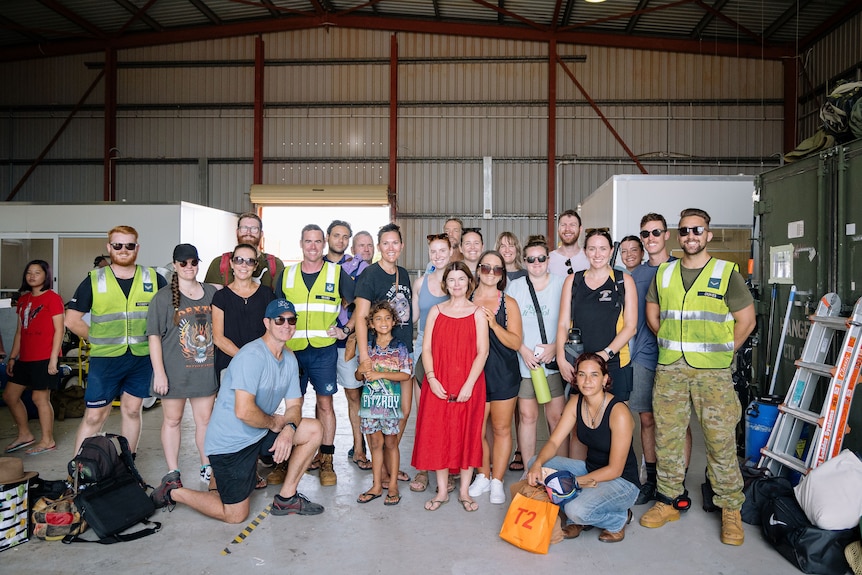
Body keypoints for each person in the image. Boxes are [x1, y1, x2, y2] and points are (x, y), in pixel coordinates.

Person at [639, 208, 755, 546]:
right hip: (671, 367)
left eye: (697, 230)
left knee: (720, 440)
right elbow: (653, 315)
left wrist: (721, 353)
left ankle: (731, 509)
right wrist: (677, 345)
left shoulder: (726, 272)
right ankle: (668, 500)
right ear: (679, 236)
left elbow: (746, 321)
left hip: (713, 372)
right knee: (668, 437)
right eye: (685, 231)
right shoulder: (665, 273)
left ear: (708, 234)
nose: (691, 236)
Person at [150, 299, 325, 523]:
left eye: (291, 320)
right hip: (230, 444)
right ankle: (173, 491)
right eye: (279, 319)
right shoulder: (252, 356)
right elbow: (243, 411)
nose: (286, 325)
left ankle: (287, 498)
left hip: (258, 433)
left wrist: (289, 429)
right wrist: (275, 425)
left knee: (313, 429)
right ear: (267, 323)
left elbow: (294, 405)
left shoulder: (289, 358)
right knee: (234, 515)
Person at [66, 225, 167, 455]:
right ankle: (80, 471)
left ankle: (127, 467)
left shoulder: (153, 277)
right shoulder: (94, 279)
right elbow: (71, 320)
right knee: (94, 416)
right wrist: (97, 338)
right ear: (109, 247)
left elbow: (170, 314)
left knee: (132, 411)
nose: (123, 250)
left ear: (137, 248)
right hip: (105, 361)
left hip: (141, 358)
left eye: (129, 245)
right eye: (117, 245)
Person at [526, 353, 639, 543]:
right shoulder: (576, 402)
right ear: (576, 378)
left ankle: (618, 519)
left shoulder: (619, 412)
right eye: (582, 375)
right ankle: (583, 510)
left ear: (605, 379)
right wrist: (537, 464)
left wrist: (575, 483)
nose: (587, 381)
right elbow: (554, 443)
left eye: (594, 375)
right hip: (591, 469)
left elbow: (615, 469)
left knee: (575, 510)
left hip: (622, 482)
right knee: (536, 464)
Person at [275, 224, 355, 487]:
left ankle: (326, 460)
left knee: (325, 405)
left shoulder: (337, 272)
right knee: (290, 407)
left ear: (324, 244)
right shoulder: (287, 275)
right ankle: (283, 459)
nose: (312, 246)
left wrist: (345, 329)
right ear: (301, 243)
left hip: (323, 351)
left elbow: (359, 304)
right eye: (308, 241)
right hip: (292, 353)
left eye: (317, 241)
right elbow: (274, 313)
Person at [411, 262, 489, 513]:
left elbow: (482, 352)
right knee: (440, 434)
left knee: (467, 434)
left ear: (469, 282)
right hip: (439, 383)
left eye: (461, 279)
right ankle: (443, 491)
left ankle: (464, 491)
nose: (457, 284)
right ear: (446, 284)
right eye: (452, 280)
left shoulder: (478, 312)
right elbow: (426, 348)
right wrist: (432, 379)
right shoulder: (435, 311)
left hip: (470, 384)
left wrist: (469, 384)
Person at [628, 213, 691, 505]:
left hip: (678, 358)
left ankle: (679, 481)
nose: (650, 238)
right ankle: (651, 480)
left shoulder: (682, 269)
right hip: (644, 356)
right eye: (645, 234)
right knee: (647, 418)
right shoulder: (634, 275)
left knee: (679, 421)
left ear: (667, 235)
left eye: (656, 232)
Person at [147, 244, 218, 486]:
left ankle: (206, 466)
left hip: (205, 371)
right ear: (175, 265)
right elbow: (154, 336)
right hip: (174, 372)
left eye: (193, 262)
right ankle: (173, 471)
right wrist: (159, 373)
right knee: (172, 421)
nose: (189, 267)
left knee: (205, 421)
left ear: (199, 263)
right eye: (183, 263)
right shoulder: (163, 297)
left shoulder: (211, 292)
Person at [353, 223, 414, 487]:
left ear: (401, 246)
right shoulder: (370, 275)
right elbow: (360, 317)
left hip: (402, 352)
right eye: (385, 243)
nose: (391, 248)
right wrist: (364, 357)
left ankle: (391, 463)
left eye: (395, 243)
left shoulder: (404, 273)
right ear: (379, 247)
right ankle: (386, 472)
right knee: (380, 413)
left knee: (403, 412)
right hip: (377, 355)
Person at [211, 244, 275, 487]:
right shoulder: (221, 297)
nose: (244, 265)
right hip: (232, 366)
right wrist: (246, 359)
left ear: (256, 266)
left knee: (257, 419)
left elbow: (274, 330)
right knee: (233, 421)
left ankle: (252, 471)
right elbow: (218, 337)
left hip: (263, 368)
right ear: (232, 264)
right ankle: (222, 475)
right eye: (239, 260)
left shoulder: (267, 295)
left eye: (249, 261)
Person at [506, 235, 568, 468]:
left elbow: (570, 321)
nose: (536, 263)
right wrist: (522, 350)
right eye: (531, 259)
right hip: (526, 364)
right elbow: (509, 324)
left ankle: (559, 468)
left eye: (541, 258)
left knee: (556, 419)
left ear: (548, 259)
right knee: (528, 417)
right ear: (525, 261)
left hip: (552, 362)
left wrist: (556, 348)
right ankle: (530, 469)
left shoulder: (561, 284)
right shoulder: (516, 287)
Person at [556, 229, 637, 402]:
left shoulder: (623, 281)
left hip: (615, 364)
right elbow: (563, 324)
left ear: (610, 251)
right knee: (580, 421)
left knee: (615, 421)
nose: (597, 254)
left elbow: (631, 327)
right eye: (592, 249)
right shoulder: (573, 281)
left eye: (602, 248)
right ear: (585, 251)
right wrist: (562, 359)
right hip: (579, 364)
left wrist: (604, 355)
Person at [467, 250, 522, 505]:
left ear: (502, 275)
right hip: (473, 375)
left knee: (501, 429)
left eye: (497, 269)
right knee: (476, 430)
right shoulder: (464, 298)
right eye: (486, 267)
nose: (490, 273)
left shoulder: (508, 303)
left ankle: (498, 480)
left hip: (503, 374)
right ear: (478, 269)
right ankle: (483, 474)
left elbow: (516, 342)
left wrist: (494, 325)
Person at [3, 260, 64, 455]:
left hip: (44, 357)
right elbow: (20, 332)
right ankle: (25, 434)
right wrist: (12, 357)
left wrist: (54, 359)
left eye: (37, 272)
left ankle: (47, 440)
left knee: (40, 398)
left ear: (46, 276)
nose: (32, 276)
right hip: (25, 358)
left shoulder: (52, 298)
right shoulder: (23, 300)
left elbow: (59, 330)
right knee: (10, 396)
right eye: (29, 272)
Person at [355, 301, 413, 506]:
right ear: (371, 323)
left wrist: (379, 373)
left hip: (391, 406)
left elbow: (406, 375)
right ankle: (377, 484)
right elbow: (358, 376)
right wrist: (361, 369)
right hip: (370, 406)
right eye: (378, 318)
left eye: (387, 318)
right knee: (376, 444)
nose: (383, 322)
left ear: (394, 321)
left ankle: (394, 485)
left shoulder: (400, 347)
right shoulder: (367, 348)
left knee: (390, 443)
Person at [324, 220, 370, 471]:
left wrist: (347, 329)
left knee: (354, 394)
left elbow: (362, 303)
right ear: (328, 237)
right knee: (323, 399)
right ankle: (322, 451)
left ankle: (359, 447)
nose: (340, 241)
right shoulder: (316, 265)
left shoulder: (359, 266)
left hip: (346, 342)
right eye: (336, 235)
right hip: (319, 343)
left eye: (345, 237)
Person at [408, 233, 452, 493]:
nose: (437, 256)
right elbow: (413, 318)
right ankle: (424, 469)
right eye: (433, 251)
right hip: (423, 347)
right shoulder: (420, 282)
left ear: (450, 251)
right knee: (424, 412)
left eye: (442, 250)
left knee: (448, 412)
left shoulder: (457, 282)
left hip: (450, 347)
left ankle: (449, 467)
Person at [204, 212, 284, 290]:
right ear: (237, 232)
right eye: (244, 228)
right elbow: (213, 298)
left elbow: (279, 299)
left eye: (254, 229)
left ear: (261, 234)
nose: (248, 232)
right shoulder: (219, 263)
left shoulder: (275, 265)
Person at [548, 210, 589, 277]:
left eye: (572, 225)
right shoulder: (548, 259)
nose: (567, 229)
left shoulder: (590, 258)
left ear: (580, 229)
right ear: (558, 230)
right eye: (563, 225)